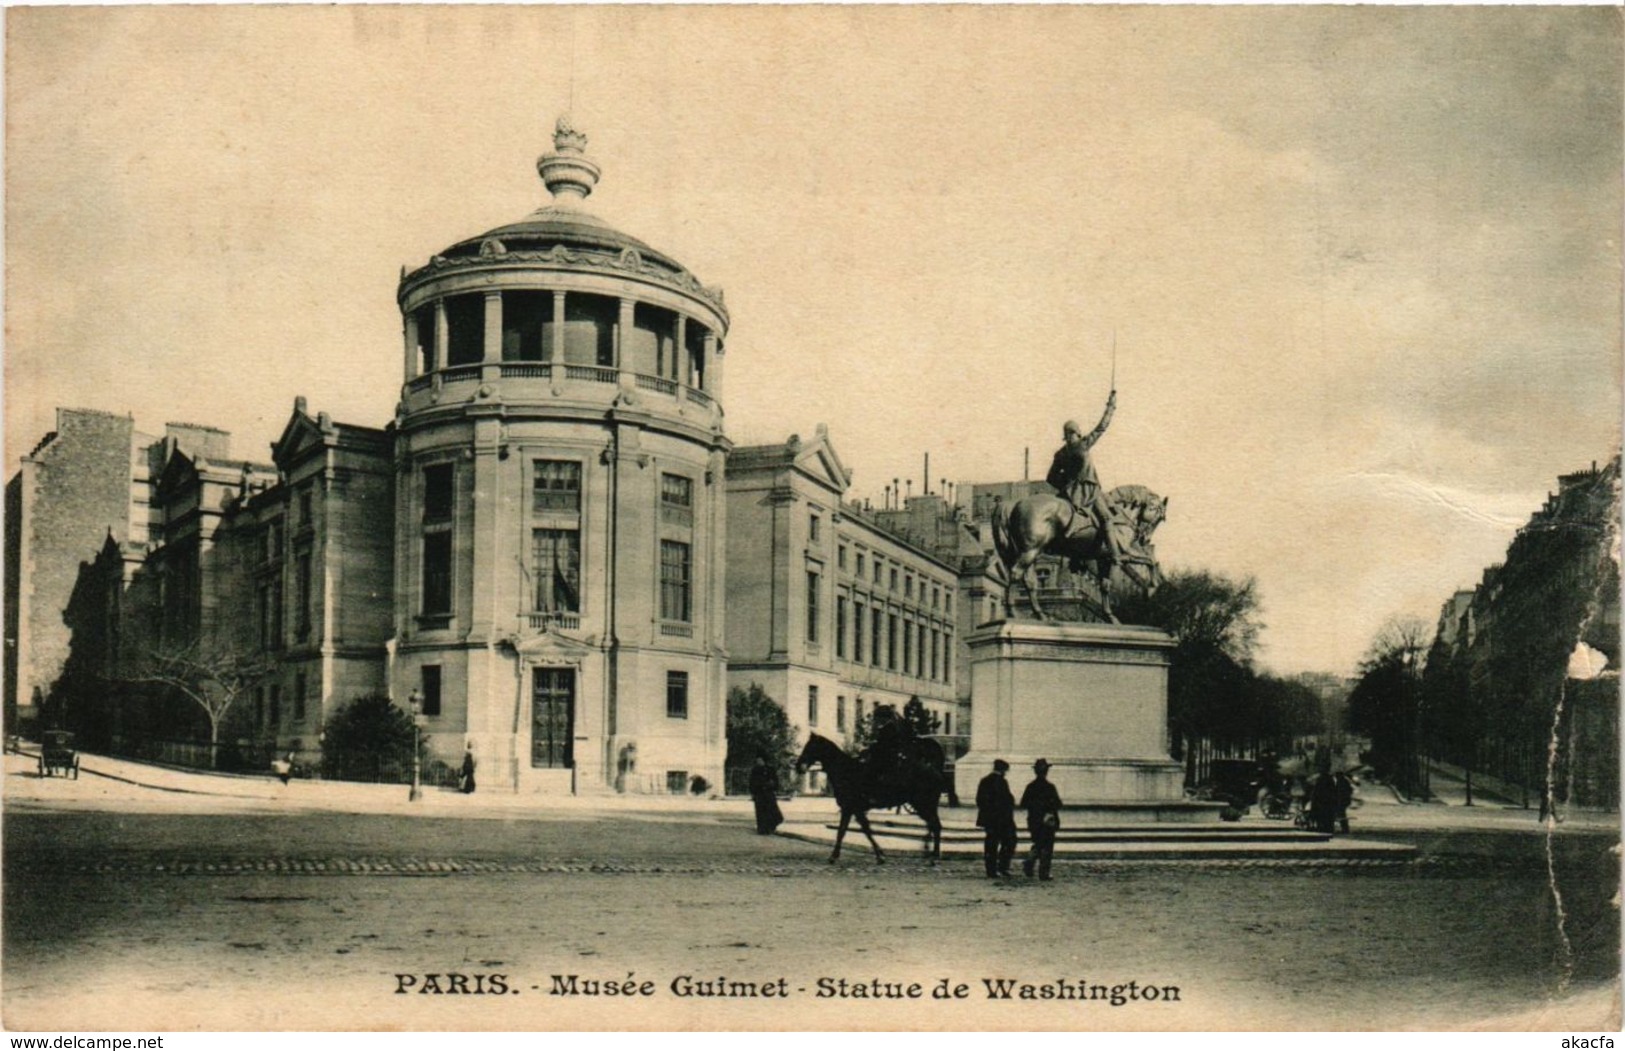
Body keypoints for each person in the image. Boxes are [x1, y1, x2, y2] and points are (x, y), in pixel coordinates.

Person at [1046, 391, 1127, 566]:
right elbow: (1101, 427)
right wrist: (1111, 406)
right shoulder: (1083, 444)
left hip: (1069, 495)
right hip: (1089, 491)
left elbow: (1050, 477)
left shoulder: (1060, 453)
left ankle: (1076, 558)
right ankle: (1116, 555)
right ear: (1077, 432)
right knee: (1106, 519)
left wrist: (1067, 485)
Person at [1019, 758, 1063, 880]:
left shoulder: (1030, 787)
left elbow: (1023, 803)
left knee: (1038, 842)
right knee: (1047, 846)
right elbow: (1058, 804)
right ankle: (1043, 872)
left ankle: (1030, 861)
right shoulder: (1050, 787)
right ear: (1046, 771)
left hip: (1034, 820)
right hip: (1048, 820)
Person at [975, 759, 1018, 878]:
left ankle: (991, 870)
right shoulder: (1002, 782)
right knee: (1009, 842)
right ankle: (1002, 867)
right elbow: (1007, 801)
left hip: (989, 819)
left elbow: (980, 800)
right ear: (1003, 770)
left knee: (991, 844)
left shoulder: (984, 781)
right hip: (1002, 819)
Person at [748, 756, 784, 835]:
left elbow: (775, 781)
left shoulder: (770, 770)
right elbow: (752, 782)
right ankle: (762, 829)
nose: (758, 762)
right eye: (757, 760)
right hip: (759, 794)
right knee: (761, 812)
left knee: (771, 810)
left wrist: (772, 785)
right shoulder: (755, 770)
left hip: (768, 793)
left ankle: (771, 826)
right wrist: (753, 792)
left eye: (760, 760)